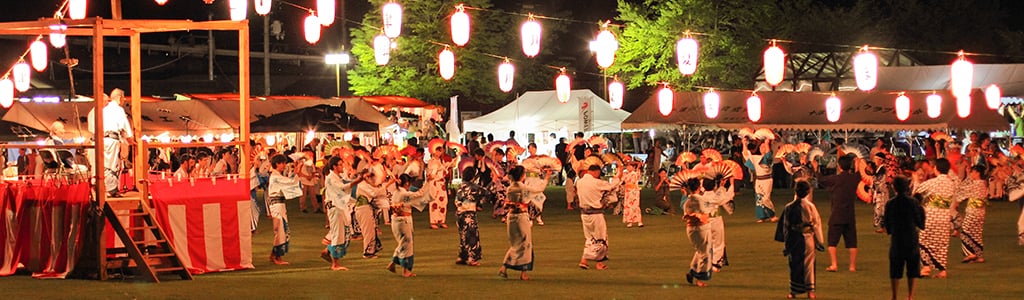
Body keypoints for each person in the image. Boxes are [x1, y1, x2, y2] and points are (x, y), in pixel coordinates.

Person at [774, 180, 824, 299]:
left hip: (794, 238)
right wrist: (819, 241)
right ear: (807, 192)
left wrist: (786, 243)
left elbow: (785, 227)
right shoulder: (810, 207)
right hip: (807, 237)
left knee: (794, 264)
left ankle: (794, 292)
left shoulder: (789, 207)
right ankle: (810, 291)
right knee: (809, 264)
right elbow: (816, 224)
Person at [912, 158, 956, 278]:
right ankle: (942, 270)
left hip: (932, 215)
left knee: (924, 240)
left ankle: (926, 267)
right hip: (945, 215)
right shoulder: (951, 183)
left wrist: (916, 181)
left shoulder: (933, 182)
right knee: (942, 243)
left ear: (936, 168)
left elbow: (917, 192)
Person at [499, 166, 545, 280]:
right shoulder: (523, 188)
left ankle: (504, 267)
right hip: (521, 217)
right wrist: (547, 178)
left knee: (515, 244)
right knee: (525, 243)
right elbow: (539, 189)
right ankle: (523, 273)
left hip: (511, 217)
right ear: (522, 176)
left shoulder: (510, 188)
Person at [885, 176, 925, 300]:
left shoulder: (890, 203)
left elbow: (887, 225)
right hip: (911, 238)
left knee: (895, 269)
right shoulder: (914, 203)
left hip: (897, 238)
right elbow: (921, 223)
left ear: (894, 187)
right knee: (912, 269)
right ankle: (910, 296)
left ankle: (894, 296)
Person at [87, 89, 133, 197]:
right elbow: (124, 126)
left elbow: (91, 129)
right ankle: (110, 190)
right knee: (111, 166)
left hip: (97, 141)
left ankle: (98, 189)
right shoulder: (116, 109)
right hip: (110, 140)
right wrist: (130, 138)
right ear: (120, 98)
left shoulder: (94, 111)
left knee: (98, 166)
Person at [818, 155, 860, 272]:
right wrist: (857, 165)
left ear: (839, 166)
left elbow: (821, 180)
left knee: (832, 241)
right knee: (852, 242)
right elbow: (858, 174)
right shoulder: (854, 178)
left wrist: (816, 168)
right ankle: (852, 266)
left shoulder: (836, 179)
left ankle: (834, 264)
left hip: (837, 214)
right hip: (850, 214)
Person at [576, 164, 621, 270]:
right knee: (600, 238)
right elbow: (611, 186)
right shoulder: (596, 183)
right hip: (595, 213)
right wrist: (618, 175)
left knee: (589, 237)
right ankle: (599, 263)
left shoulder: (579, 182)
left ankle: (584, 260)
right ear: (596, 172)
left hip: (584, 214)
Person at [321, 157, 363, 271]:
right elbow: (342, 188)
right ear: (334, 166)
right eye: (340, 165)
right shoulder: (330, 178)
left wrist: (356, 179)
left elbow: (345, 184)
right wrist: (357, 181)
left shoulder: (336, 177)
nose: (342, 167)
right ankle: (335, 264)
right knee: (338, 234)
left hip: (340, 207)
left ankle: (327, 251)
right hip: (335, 208)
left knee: (345, 233)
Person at [387, 174, 428, 278]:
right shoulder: (403, 193)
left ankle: (393, 263)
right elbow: (420, 194)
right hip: (403, 221)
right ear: (406, 183)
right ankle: (406, 270)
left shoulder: (396, 192)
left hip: (397, 221)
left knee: (403, 243)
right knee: (407, 245)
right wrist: (429, 182)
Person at [266, 154, 302, 265]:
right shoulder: (275, 177)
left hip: (278, 204)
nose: (284, 165)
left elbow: (288, 180)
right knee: (281, 230)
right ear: (277, 164)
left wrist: (296, 172)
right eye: (283, 163)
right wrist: (297, 172)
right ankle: (277, 256)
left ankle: (274, 255)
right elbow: (290, 182)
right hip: (276, 204)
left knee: (282, 229)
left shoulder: (276, 176)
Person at [682, 178, 714, 287]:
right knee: (705, 253)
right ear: (698, 187)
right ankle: (700, 278)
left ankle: (693, 271)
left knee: (699, 250)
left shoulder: (687, 201)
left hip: (691, 229)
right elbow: (707, 211)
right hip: (701, 228)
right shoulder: (700, 200)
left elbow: (686, 214)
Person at [455, 168, 490, 266]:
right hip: (469, 213)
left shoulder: (460, 186)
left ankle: (462, 256)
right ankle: (472, 258)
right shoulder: (474, 187)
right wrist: (480, 203)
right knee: (472, 236)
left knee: (463, 235)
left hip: (459, 213)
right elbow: (487, 193)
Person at [954, 165, 988, 263]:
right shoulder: (983, 183)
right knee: (976, 233)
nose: (971, 174)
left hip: (973, 211)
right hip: (980, 212)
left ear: (977, 173)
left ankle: (970, 253)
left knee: (965, 232)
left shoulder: (976, 184)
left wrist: (956, 181)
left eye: (973, 172)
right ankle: (979, 255)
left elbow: (962, 189)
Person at [743, 138, 777, 222]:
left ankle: (772, 215)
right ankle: (761, 216)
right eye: (761, 147)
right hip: (758, 180)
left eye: (764, 147)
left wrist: (767, 143)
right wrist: (744, 144)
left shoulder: (769, 158)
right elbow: (746, 155)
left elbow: (768, 155)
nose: (762, 148)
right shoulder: (756, 158)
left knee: (765, 198)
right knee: (758, 199)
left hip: (767, 179)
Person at [426, 143, 453, 229]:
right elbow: (430, 175)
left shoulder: (441, 161)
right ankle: (433, 221)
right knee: (434, 202)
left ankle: (442, 220)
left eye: (441, 150)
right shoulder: (431, 162)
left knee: (443, 202)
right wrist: (435, 171)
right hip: (435, 183)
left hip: (441, 183)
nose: (440, 153)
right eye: (438, 150)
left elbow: (448, 167)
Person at [621, 162, 643, 227]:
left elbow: (637, 178)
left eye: (630, 166)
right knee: (628, 206)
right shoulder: (625, 174)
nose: (628, 168)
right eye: (627, 166)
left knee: (635, 206)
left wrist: (638, 167)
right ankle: (630, 221)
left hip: (634, 191)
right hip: (628, 191)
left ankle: (639, 221)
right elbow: (622, 181)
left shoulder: (635, 173)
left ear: (633, 167)